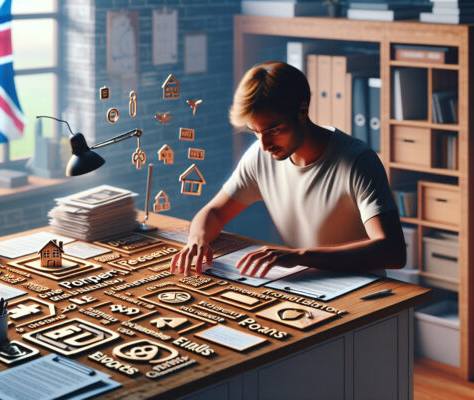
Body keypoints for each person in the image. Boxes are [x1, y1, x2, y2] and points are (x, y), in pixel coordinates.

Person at [170, 61, 406, 277]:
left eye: (273, 130)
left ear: (302, 112)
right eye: (255, 132)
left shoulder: (358, 161)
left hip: (362, 290)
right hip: (304, 282)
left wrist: (300, 256)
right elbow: (215, 212)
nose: (264, 145)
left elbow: (392, 251)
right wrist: (197, 240)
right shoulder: (260, 157)